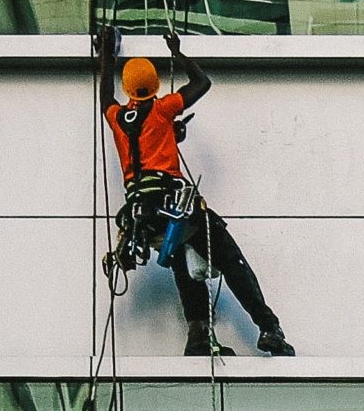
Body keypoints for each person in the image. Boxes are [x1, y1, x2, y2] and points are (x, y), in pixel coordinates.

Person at [97, 27, 293, 359]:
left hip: (142, 219)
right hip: (174, 206)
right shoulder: (161, 109)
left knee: (184, 267)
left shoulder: (117, 117)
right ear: (154, 87)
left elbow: (105, 97)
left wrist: (106, 55)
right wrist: (179, 53)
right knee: (230, 259)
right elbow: (202, 84)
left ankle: (199, 337)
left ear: (129, 89)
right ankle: (269, 328)